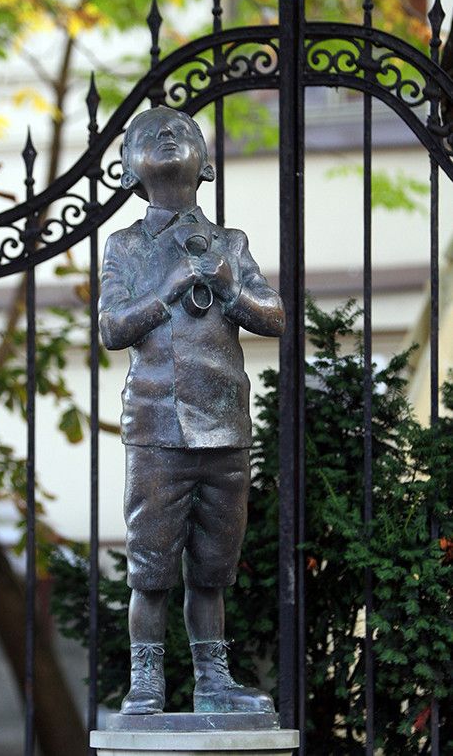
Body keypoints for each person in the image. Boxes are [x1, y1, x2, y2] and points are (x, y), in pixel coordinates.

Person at [99, 106, 285, 715]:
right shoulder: (124, 247)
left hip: (225, 431)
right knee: (151, 568)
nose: (170, 132)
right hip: (156, 432)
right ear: (129, 170)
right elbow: (112, 327)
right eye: (151, 134)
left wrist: (231, 285)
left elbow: (275, 318)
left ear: (206, 167)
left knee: (212, 568)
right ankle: (146, 683)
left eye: (185, 131)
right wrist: (170, 283)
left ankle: (214, 680)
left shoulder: (231, 242)